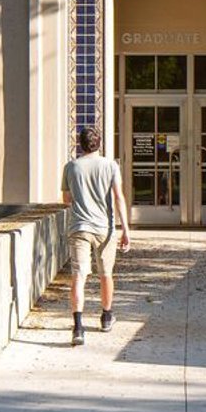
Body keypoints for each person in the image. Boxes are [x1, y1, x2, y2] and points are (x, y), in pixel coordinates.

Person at [60, 124, 132, 346]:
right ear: (99, 143)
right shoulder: (110, 166)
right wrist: (126, 229)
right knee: (105, 274)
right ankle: (106, 316)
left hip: (79, 227)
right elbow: (119, 197)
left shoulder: (71, 167)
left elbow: (66, 200)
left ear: (80, 144)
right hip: (105, 229)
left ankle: (78, 327)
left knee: (79, 275)